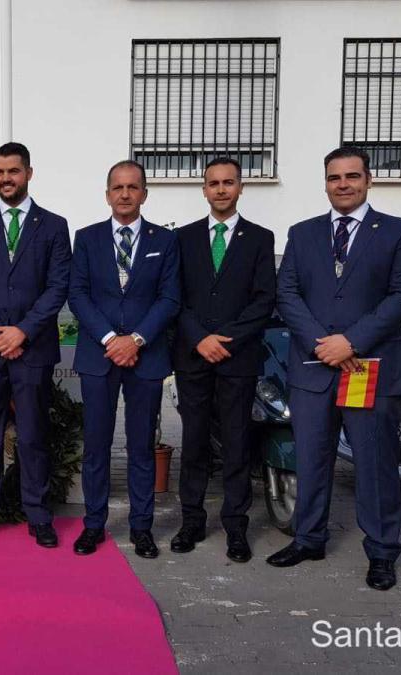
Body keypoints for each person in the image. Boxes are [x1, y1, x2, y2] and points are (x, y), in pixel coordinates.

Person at [268, 147, 401, 591]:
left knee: (374, 465)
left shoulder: (398, 233)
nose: (343, 184)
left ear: (368, 179)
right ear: (325, 182)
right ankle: (309, 538)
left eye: (352, 176)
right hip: (314, 368)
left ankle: (381, 552)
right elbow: (288, 294)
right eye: (335, 177)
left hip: (367, 368)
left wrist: (350, 342)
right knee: (312, 459)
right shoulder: (303, 233)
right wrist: (325, 343)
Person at [0, 142, 71, 548]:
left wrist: (22, 331)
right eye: (0, 172)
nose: (6, 179)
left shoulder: (54, 226)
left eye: (13, 171)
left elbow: (58, 287)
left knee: (34, 433)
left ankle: (38, 515)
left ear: (29, 173)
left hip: (32, 348)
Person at [67, 160, 180, 559]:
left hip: (145, 358)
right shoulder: (87, 238)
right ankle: (94, 525)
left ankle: (141, 527)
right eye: (118, 187)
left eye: (133, 187)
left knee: (141, 446)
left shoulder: (165, 242)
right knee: (96, 445)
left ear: (144, 193)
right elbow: (77, 294)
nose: (125, 194)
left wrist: (136, 339)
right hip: (99, 355)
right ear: (108, 194)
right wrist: (111, 338)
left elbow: (170, 298)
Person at [170, 157, 276, 563]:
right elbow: (174, 296)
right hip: (193, 356)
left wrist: (225, 340)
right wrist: (200, 338)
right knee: (194, 441)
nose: (220, 189)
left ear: (240, 187)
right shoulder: (183, 238)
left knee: (236, 442)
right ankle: (192, 521)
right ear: (203, 189)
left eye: (228, 182)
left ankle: (236, 526)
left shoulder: (260, 238)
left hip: (237, 357)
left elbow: (264, 298)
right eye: (213, 183)